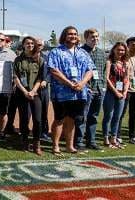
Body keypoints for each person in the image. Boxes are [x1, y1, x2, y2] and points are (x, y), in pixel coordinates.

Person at [47, 26, 93, 155]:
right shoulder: (56, 52)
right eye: (70, 34)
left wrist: (82, 83)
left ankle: (69, 146)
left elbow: (90, 70)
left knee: (72, 120)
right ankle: (55, 146)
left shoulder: (83, 52)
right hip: (61, 93)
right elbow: (53, 70)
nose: (73, 36)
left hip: (79, 93)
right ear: (64, 36)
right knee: (59, 119)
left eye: (75, 34)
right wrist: (69, 83)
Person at [12, 36, 44, 155]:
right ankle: (24, 141)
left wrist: (33, 91)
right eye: (27, 43)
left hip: (35, 94)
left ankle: (36, 143)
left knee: (37, 119)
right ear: (23, 45)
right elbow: (15, 77)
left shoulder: (39, 59)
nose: (30, 45)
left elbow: (41, 77)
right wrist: (25, 92)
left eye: (32, 43)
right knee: (24, 119)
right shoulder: (18, 60)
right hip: (22, 94)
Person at [75, 28, 106, 152]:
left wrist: (103, 86)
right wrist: (84, 85)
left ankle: (91, 141)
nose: (95, 39)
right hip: (86, 89)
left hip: (99, 89)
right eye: (92, 37)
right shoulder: (80, 52)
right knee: (82, 116)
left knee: (94, 116)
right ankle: (78, 141)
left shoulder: (101, 53)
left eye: (97, 37)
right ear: (86, 38)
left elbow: (103, 71)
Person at [102, 42, 129, 149]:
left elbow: (127, 79)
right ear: (114, 50)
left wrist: (125, 92)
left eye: (122, 50)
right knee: (108, 115)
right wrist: (115, 92)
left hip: (122, 93)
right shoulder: (109, 62)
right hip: (110, 92)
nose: (120, 52)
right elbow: (107, 78)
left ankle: (114, 137)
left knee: (117, 117)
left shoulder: (125, 63)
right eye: (118, 50)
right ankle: (106, 138)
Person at [118, 37, 135, 145]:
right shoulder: (124, 58)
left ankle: (132, 136)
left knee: (134, 113)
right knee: (121, 113)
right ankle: (117, 135)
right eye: (133, 44)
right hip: (125, 89)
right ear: (128, 45)